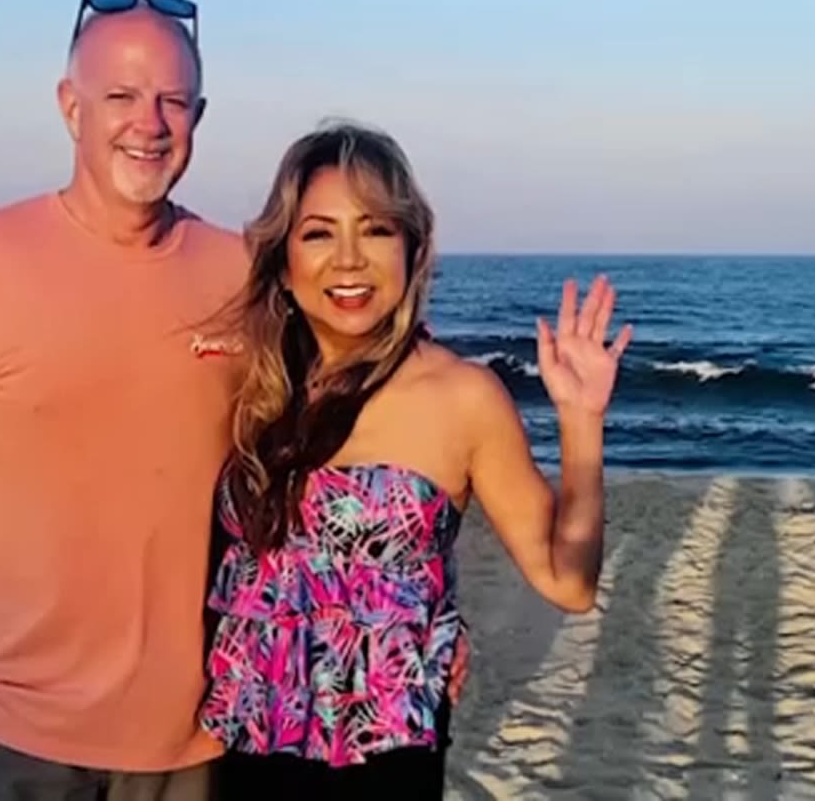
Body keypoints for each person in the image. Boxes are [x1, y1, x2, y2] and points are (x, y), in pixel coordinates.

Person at [0, 0, 248, 801]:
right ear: (71, 108)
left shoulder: (241, 273)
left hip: (188, 742)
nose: (149, 123)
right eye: (121, 97)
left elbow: (323, 459)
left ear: (199, 117)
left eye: (173, 100)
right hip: (3, 734)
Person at [197, 121, 633, 798]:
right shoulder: (250, 387)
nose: (349, 260)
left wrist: (581, 424)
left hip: (385, 766)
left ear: (412, 246)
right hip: (240, 755)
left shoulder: (461, 396)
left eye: (375, 230)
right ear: (283, 260)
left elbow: (567, 582)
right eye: (319, 233)